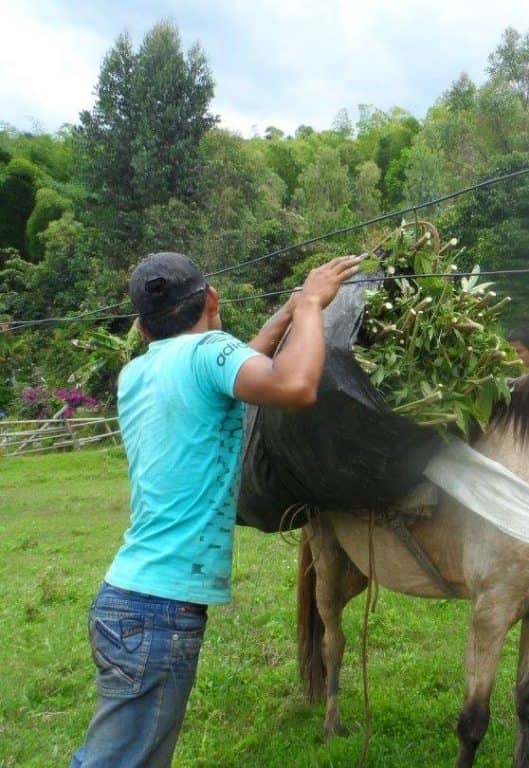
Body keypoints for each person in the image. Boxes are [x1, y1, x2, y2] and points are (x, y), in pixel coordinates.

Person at [70, 251, 362, 768]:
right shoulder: (209, 352)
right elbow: (294, 385)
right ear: (211, 300)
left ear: (141, 326)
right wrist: (314, 304)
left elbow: (228, 374)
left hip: (126, 600)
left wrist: (289, 311)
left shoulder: (136, 373)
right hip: (159, 612)